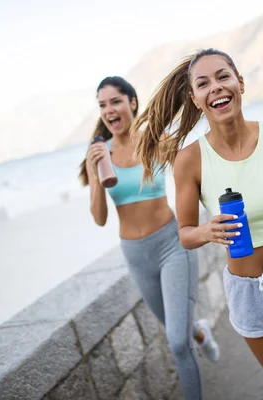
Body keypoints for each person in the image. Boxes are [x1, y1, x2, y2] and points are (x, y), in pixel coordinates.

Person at [134, 49, 263, 400]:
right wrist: (205, 231)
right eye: (203, 83)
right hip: (247, 295)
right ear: (195, 99)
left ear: (240, 83)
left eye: (223, 76)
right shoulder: (189, 160)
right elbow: (184, 234)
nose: (215, 87)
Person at [78, 76, 220, 400]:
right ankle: (201, 332)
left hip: (172, 245)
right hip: (136, 255)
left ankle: (193, 342)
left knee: (177, 343)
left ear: (131, 102)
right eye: (102, 105)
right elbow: (99, 219)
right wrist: (95, 172)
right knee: (178, 330)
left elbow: (195, 176)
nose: (109, 110)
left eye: (115, 101)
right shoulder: (100, 155)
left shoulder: (156, 142)